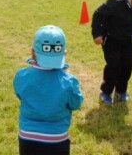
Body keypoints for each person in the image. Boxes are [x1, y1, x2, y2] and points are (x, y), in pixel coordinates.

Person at [14, 25, 84, 155]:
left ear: (33, 52)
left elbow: (20, 94)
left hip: (27, 137)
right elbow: (76, 104)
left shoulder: (21, 76)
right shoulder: (68, 81)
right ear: (64, 54)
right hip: (57, 138)